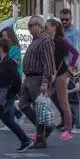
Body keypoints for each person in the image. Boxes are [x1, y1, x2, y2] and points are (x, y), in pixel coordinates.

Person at [18, 16, 56, 149]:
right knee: (22, 105)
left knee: (38, 108)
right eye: (28, 26)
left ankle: (40, 138)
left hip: (38, 78)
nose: (29, 29)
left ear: (39, 26)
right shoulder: (35, 40)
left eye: (31, 26)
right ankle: (46, 128)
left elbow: (48, 63)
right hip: (29, 78)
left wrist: (45, 82)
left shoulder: (45, 41)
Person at [46, 17, 78, 142]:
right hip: (51, 74)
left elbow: (75, 52)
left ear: (54, 27)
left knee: (63, 101)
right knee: (42, 99)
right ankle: (43, 129)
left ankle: (68, 129)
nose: (45, 29)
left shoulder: (60, 40)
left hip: (60, 73)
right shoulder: (48, 40)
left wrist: (71, 66)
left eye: (47, 27)